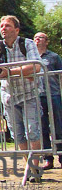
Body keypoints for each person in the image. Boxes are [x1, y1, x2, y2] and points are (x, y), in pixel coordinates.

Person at [0, 15, 43, 177]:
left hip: (30, 94)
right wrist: (24, 72)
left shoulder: (27, 44)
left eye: (7, 26)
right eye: (1, 26)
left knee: (32, 130)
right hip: (9, 97)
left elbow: (36, 67)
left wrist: (11, 72)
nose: (3, 28)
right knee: (17, 134)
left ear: (16, 29)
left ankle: (35, 168)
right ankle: (31, 167)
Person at [34, 32, 62, 169]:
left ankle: (61, 156)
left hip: (54, 93)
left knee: (58, 125)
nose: (37, 39)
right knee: (42, 126)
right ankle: (48, 158)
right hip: (38, 95)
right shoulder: (31, 57)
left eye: (41, 37)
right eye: (35, 37)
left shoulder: (54, 57)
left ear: (47, 41)